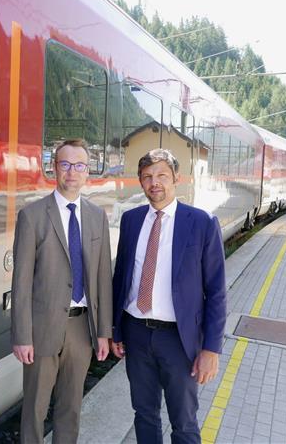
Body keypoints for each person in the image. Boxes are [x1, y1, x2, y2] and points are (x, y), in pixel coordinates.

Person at [111, 149, 226, 444]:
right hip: (136, 333)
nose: (154, 182)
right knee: (144, 413)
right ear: (140, 181)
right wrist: (116, 329)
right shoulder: (131, 220)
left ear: (176, 178)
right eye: (147, 176)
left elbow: (216, 291)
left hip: (179, 340)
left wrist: (211, 350)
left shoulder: (201, 222)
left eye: (162, 175)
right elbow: (121, 277)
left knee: (184, 421)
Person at [11, 138, 113, 444]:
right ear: (55, 168)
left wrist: (104, 332)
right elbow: (21, 283)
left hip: (83, 329)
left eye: (79, 165)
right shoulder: (32, 216)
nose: (72, 172)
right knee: (34, 409)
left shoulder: (97, 217)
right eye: (65, 164)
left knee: (71, 408)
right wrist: (22, 336)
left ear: (87, 172)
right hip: (42, 330)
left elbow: (103, 278)